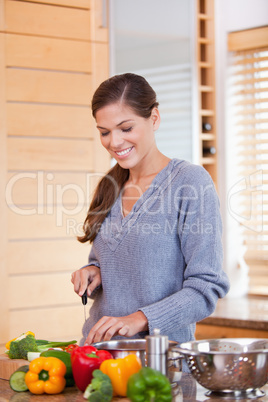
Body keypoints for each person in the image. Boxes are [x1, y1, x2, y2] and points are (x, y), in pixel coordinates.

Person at [71, 73, 230, 353]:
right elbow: (109, 264)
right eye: (104, 132)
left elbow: (207, 287)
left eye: (126, 128)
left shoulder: (190, 183)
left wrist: (141, 319)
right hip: (97, 358)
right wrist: (92, 272)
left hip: (161, 364)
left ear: (154, 119)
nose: (114, 142)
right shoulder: (110, 186)